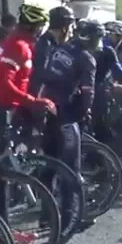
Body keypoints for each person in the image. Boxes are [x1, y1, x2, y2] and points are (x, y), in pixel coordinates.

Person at [34, 17, 98, 232]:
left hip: (46, 111)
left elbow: (43, 76)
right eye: (98, 38)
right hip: (66, 116)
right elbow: (89, 94)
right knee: (71, 170)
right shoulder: (86, 58)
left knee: (50, 167)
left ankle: (46, 216)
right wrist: (83, 114)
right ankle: (70, 220)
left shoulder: (60, 49)